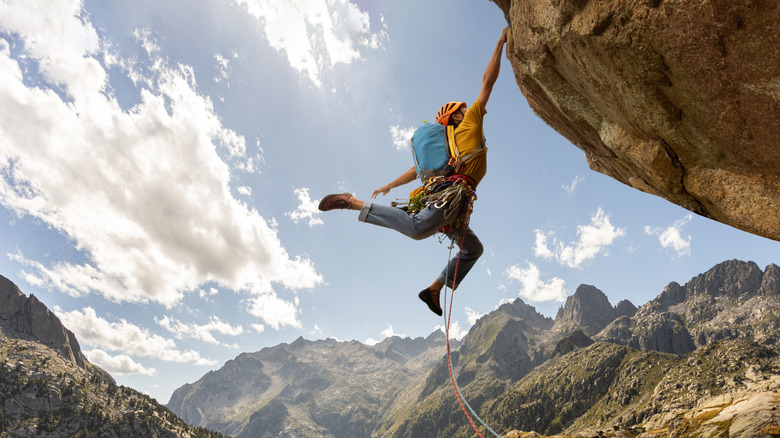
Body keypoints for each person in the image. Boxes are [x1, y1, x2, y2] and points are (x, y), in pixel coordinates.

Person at [319, 27, 509, 317]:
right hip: (449, 199)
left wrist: (388, 185)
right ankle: (353, 202)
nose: (467, 109)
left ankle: (433, 290)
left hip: (455, 204)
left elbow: (415, 170)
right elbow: (487, 82)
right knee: (418, 228)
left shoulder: (451, 146)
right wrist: (498, 44)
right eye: (461, 109)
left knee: (473, 249)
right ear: (455, 117)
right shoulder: (469, 125)